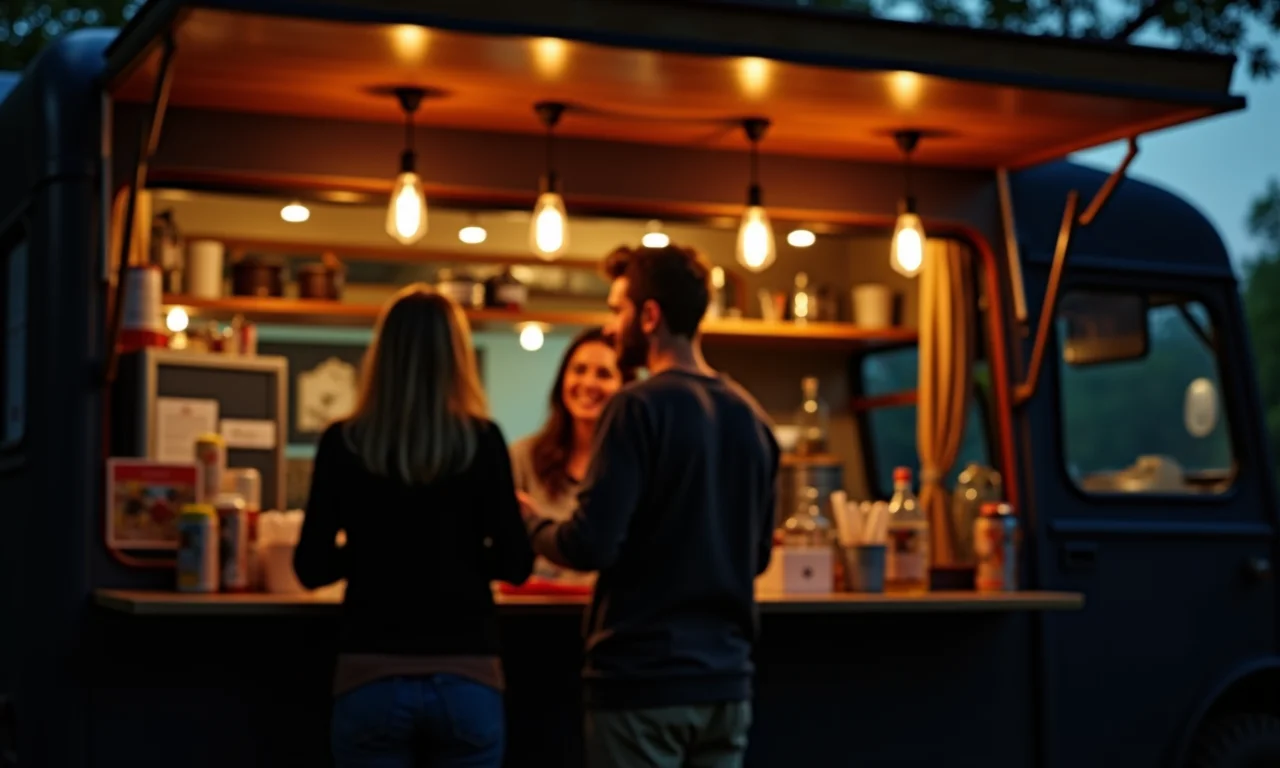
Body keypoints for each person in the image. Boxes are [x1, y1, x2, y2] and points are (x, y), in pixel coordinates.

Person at [521, 245, 781, 768]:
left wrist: (528, 521)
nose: (612, 327)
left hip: (642, 685)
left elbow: (588, 544)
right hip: (727, 688)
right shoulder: (753, 418)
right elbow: (755, 559)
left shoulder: (636, 407)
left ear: (650, 315)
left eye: (617, 309)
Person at [293, 283, 534, 768]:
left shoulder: (344, 442)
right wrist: (460, 554)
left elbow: (311, 567)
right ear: (457, 357)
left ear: (383, 354)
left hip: (370, 677)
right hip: (467, 678)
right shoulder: (483, 442)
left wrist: (369, 550)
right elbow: (517, 563)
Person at [508, 326, 633, 583]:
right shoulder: (522, 458)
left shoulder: (635, 466)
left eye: (604, 374)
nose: (588, 383)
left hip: (610, 617)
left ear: (626, 387)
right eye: (579, 370)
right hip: (533, 613)